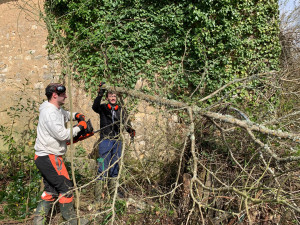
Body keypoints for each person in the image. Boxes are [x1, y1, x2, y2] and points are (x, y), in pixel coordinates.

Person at [33, 83, 88, 225]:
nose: (66, 96)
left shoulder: (56, 109)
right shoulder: (49, 113)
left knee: (51, 191)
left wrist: (77, 115)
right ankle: (70, 221)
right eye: (63, 94)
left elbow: (65, 115)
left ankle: (38, 222)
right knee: (66, 188)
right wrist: (80, 127)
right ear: (54, 95)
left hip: (48, 156)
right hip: (49, 157)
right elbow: (63, 135)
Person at [92, 82, 135, 200]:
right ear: (107, 97)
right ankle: (98, 198)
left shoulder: (121, 110)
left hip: (117, 142)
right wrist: (100, 93)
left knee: (115, 167)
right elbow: (94, 106)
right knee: (101, 168)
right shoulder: (103, 108)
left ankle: (113, 194)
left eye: (114, 96)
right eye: (110, 96)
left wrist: (131, 131)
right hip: (105, 142)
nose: (112, 98)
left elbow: (126, 124)